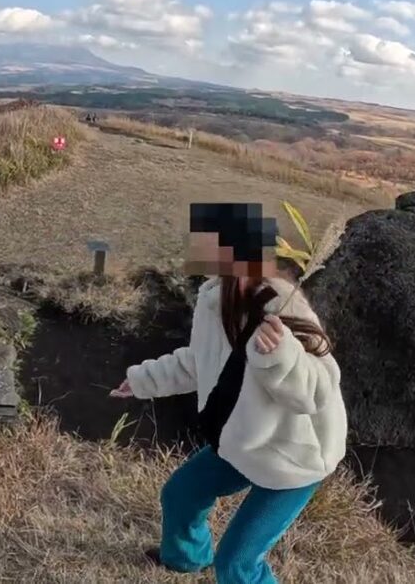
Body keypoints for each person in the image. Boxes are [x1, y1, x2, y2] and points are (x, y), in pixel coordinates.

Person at [110, 202, 347, 584]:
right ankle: (185, 558)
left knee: (236, 566)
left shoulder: (284, 305)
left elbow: (319, 390)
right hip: (240, 441)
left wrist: (283, 356)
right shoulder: (214, 296)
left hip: (293, 461)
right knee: (181, 495)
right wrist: (142, 381)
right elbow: (197, 361)